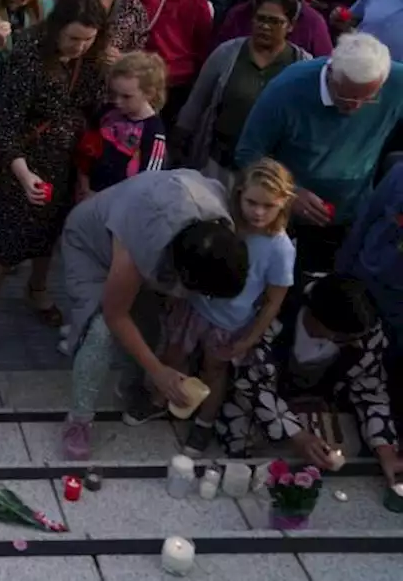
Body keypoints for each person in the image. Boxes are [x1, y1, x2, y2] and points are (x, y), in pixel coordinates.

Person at [0, 0, 108, 370]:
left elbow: (93, 109)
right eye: (74, 38)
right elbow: (7, 123)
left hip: (67, 164)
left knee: (50, 233)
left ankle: (38, 289)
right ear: (57, 28)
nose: (80, 47)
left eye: (88, 40)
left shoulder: (91, 59)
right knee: (3, 245)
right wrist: (24, 173)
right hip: (22, 165)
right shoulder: (28, 54)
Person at [59, 169, 249, 460]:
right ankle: (79, 420)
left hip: (154, 238)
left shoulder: (220, 223)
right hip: (91, 246)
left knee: (151, 326)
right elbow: (116, 315)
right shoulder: (143, 233)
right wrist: (158, 372)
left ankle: (132, 388)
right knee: (100, 331)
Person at [236, 33, 403, 277]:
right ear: (331, 71)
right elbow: (247, 153)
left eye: (367, 98)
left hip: (354, 214)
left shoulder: (396, 82)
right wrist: (289, 193)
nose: (354, 107)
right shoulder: (287, 90)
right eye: (346, 97)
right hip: (288, 220)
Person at [162, 158, 296, 456]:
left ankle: (204, 422)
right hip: (195, 306)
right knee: (173, 354)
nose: (258, 212)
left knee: (214, 370)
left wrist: (250, 338)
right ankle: (161, 397)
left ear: (283, 204)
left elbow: (274, 300)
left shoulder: (280, 247)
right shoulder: (226, 221)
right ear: (239, 194)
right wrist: (179, 292)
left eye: (268, 206)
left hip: (230, 322)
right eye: (252, 202)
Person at [220, 273, 401, 485]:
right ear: (316, 318)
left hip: (319, 404)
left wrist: (386, 450)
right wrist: (297, 435)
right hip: (264, 400)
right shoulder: (275, 314)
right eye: (344, 339)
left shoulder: (364, 329)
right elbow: (251, 382)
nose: (357, 345)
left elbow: (371, 392)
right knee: (241, 433)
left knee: (349, 448)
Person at [179, 0, 312, 189]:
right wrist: (180, 144)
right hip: (219, 164)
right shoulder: (227, 54)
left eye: (275, 21)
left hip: (272, 175)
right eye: (260, 18)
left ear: (290, 26)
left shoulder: (302, 65)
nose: (265, 26)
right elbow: (196, 103)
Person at [78, 51, 169, 198]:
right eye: (114, 94)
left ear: (149, 93)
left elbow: (149, 181)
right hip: (87, 194)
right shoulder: (107, 112)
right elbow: (85, 151)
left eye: (126, 96)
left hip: (119, 205)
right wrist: (83, 185)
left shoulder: (153, 132)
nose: (118, 102)